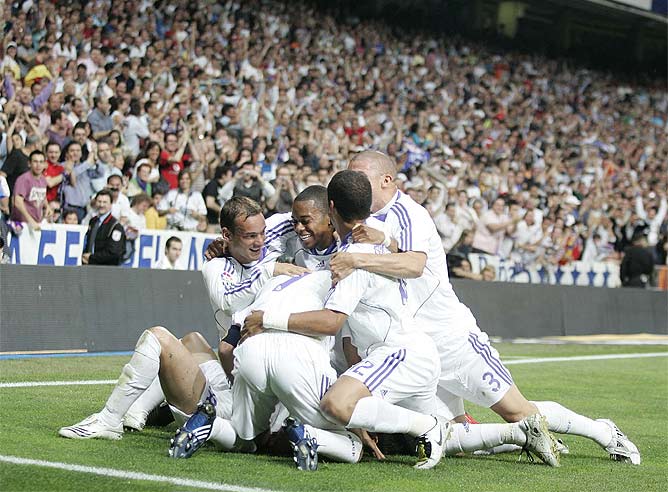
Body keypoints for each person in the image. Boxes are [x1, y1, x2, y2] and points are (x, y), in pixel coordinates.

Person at [333, 150, 639, 465]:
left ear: (386, 180)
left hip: (449, 335)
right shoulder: (363, 223)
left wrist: (358, 258)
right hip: (412, 347)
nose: (353, 183)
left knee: (517, 411)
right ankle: (516, 440)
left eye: (360, 176)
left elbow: (414, 263)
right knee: (451, 435)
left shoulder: (409, 212)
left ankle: (603, 432)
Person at [243, 170, 450, 470]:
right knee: (453, 435)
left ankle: (428, 426)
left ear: (331, 208)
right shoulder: (374, 235)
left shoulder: (352, 257)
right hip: (398, 351)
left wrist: (268, 318)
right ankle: (513, 433)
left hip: (400, 352)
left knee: (335, 405)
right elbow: (404, 255)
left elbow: (331, 323)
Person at [81, 189, 125, 266]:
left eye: (105, 202)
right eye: (99, 201)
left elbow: (113, 252)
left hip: (105, 270)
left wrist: (92, 258)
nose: (101, 205)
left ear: (111, 204)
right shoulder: (93, 221)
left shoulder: (116, 226)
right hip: (89, 266)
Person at [10, 150, 49, 230]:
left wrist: (47, 206)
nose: (38, 165)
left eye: (41, 162)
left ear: (45, 164)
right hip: (21, 224)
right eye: (35, 161)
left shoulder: (43, 180)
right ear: (29, 163)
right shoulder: (23, 179)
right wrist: (30, 220)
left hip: (36, 223)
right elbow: (17, 202)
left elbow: (42, 196)